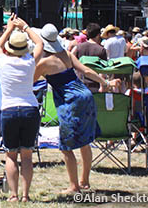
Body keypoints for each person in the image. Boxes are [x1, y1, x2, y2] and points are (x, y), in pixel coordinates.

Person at [34, 23, 107, 193]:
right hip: (86, 95)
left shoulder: (43, 63)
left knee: (66, 147)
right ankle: (85, 181)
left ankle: (74, 186)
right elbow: (86, 71)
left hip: (70, 101)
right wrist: (104, 82)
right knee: (85, 141)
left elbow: (29, 82)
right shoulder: (66, 54)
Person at [0, 15, 44, 203]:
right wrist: (25, 27)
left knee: (11, 155)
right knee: (27, 156)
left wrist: (8, 29)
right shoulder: (30, 62)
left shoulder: (2, 61)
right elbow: (40, 43)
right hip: (30, 108)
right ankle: (25, 195)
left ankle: (14, 194)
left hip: (9, 109)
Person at [72, 23, 107, 92]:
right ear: (98, 34)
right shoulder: (101, 50)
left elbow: (71, 62)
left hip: (80, 83)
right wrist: (102, 86)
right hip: (94, 84)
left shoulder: (78, 47)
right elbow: (102, 70)